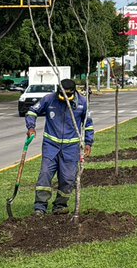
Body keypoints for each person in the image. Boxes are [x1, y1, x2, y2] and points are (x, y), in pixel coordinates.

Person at [25, 78, 94, 216]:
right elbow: (32, 111)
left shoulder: (82, 103)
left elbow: (88, 124)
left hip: (71, 148)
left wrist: (88, 143)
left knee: (68, 178)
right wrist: (31, 127)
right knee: (45, 174)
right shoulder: (49, 99)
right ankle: (40, 207)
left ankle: (60, 205)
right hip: (51, 145)